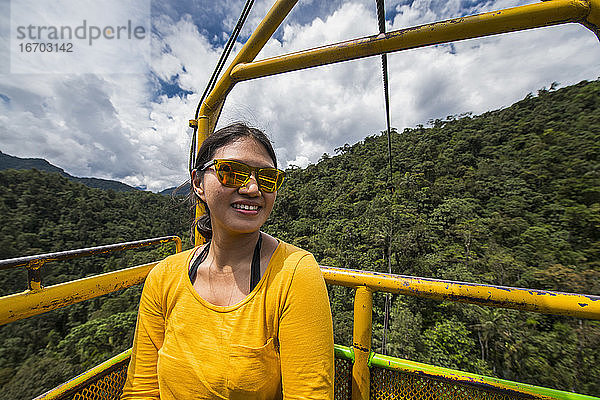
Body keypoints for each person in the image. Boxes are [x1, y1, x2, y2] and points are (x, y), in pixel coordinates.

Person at [121, 122, 334, 399]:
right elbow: (141, 389)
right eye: (232, 172)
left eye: (268, 178)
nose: (253, 188)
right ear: (199, 183)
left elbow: (308, 394)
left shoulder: (293, 272)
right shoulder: (165, 276)